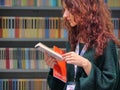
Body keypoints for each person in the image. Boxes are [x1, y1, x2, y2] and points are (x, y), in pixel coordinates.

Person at [44, 0, 120, 90]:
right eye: (64, 10)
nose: (64, 15)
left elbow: (111, 83)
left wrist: (86, 64)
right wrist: (55, 68)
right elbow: (65, 83)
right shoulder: (72, 40)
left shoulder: (106, 42)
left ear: (84, 10)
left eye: (69, 10)